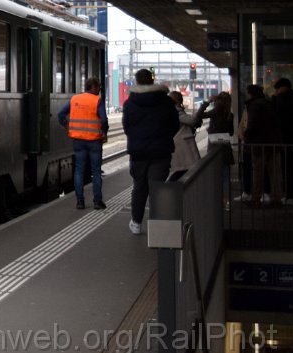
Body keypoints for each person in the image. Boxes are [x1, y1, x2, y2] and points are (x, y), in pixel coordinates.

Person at [122, 68, 179, 234]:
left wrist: (136, 139)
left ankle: (136, 223)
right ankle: (158, 225)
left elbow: (127, 127)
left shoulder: (130, 103)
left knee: (139, 187)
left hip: (138, 152)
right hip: (161, 151)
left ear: (137, 81)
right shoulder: (166, 102)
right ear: (152, 80)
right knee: (158, 188)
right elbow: (174, 125)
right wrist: (164, 137)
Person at [57, 77, 109, 209]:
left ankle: (80, 202)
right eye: (98, 88)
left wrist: (67, 126)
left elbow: (60, 114)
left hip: (78, 141)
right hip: (94, 141)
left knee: (79, 170)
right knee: (96, 171)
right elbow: (103, 119)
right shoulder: (97, 100)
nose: (99, 91)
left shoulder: (75, 99)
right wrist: (104, 132)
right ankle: (97, 202)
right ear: (94, 87)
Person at [240, 84, 282, 206]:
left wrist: (247, 136)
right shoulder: (268, 103)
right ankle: (276, 198)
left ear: (251, 94)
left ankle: (256, 198)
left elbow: (253, 124)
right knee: (275, 172)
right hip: (274, 142)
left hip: (260, 143)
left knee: (258, 172)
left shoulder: (255, 105)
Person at [167, 91, 207, 181]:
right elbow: (192, 120)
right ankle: (170, 189)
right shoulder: (176, 111)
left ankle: (172, 189)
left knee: (185, 169)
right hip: (182, 145)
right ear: (178, 100)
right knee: (188, 169)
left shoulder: (174, 110)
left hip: (181, 144)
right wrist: (204, 105)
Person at [272, 78, 293, 204]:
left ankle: (291, 196)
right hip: (291, 139)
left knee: (289, 168)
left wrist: (276, 97)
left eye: (277, 89)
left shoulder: (282, 99)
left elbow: (278, 115)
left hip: (287, 139)